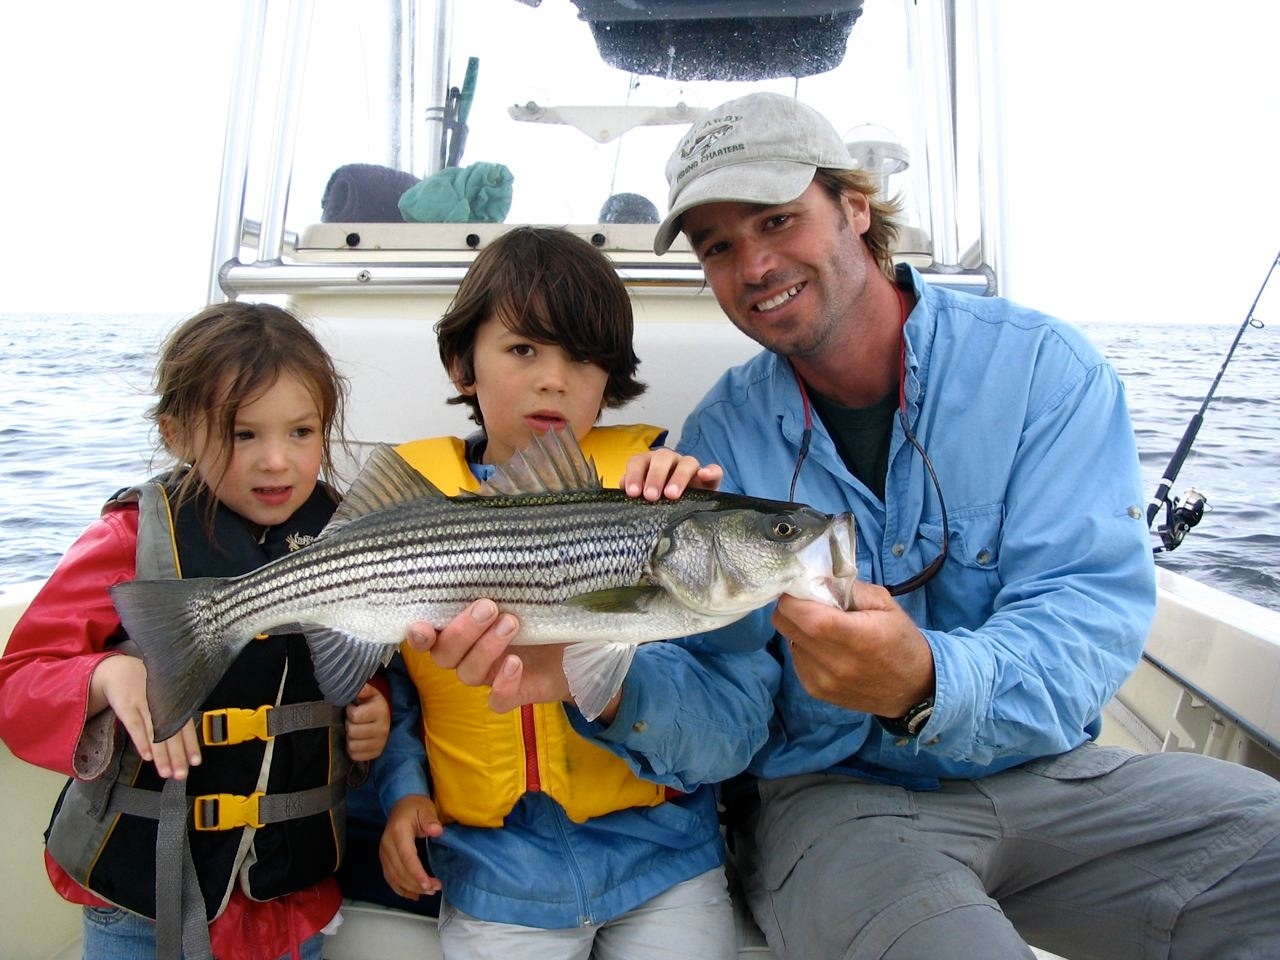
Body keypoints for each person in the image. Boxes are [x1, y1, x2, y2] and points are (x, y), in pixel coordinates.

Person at [407, 93, 1280, 959]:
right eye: (719, 245)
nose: (753, 265)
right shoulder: (719, 444)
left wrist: (926, 678)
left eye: (778, 219)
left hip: (1059, 778)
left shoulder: (1043, 372)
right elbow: (728, 714)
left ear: (855, 208)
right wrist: (596, 675)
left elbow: (1087, 623)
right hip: (839, 799)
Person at [373, 225, 743, 959]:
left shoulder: (664, 498)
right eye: (523, 350)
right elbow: (394, 693)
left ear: (610, 380)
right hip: (493, 868)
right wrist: (400, 791)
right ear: (461, 366)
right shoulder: (405, 516)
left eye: (583, 358)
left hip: (664, 854)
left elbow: (730, 699)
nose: (555, 380)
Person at [0, 302, 391, 960]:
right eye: (243, 435)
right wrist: (105, 675)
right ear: (177, 433)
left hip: (288, 905)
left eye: (301, 431)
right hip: (140, 907)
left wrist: (370, 714)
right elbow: (19, 684)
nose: (276, 460)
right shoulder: (130, 540)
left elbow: (355, 662)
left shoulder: (350, 539)